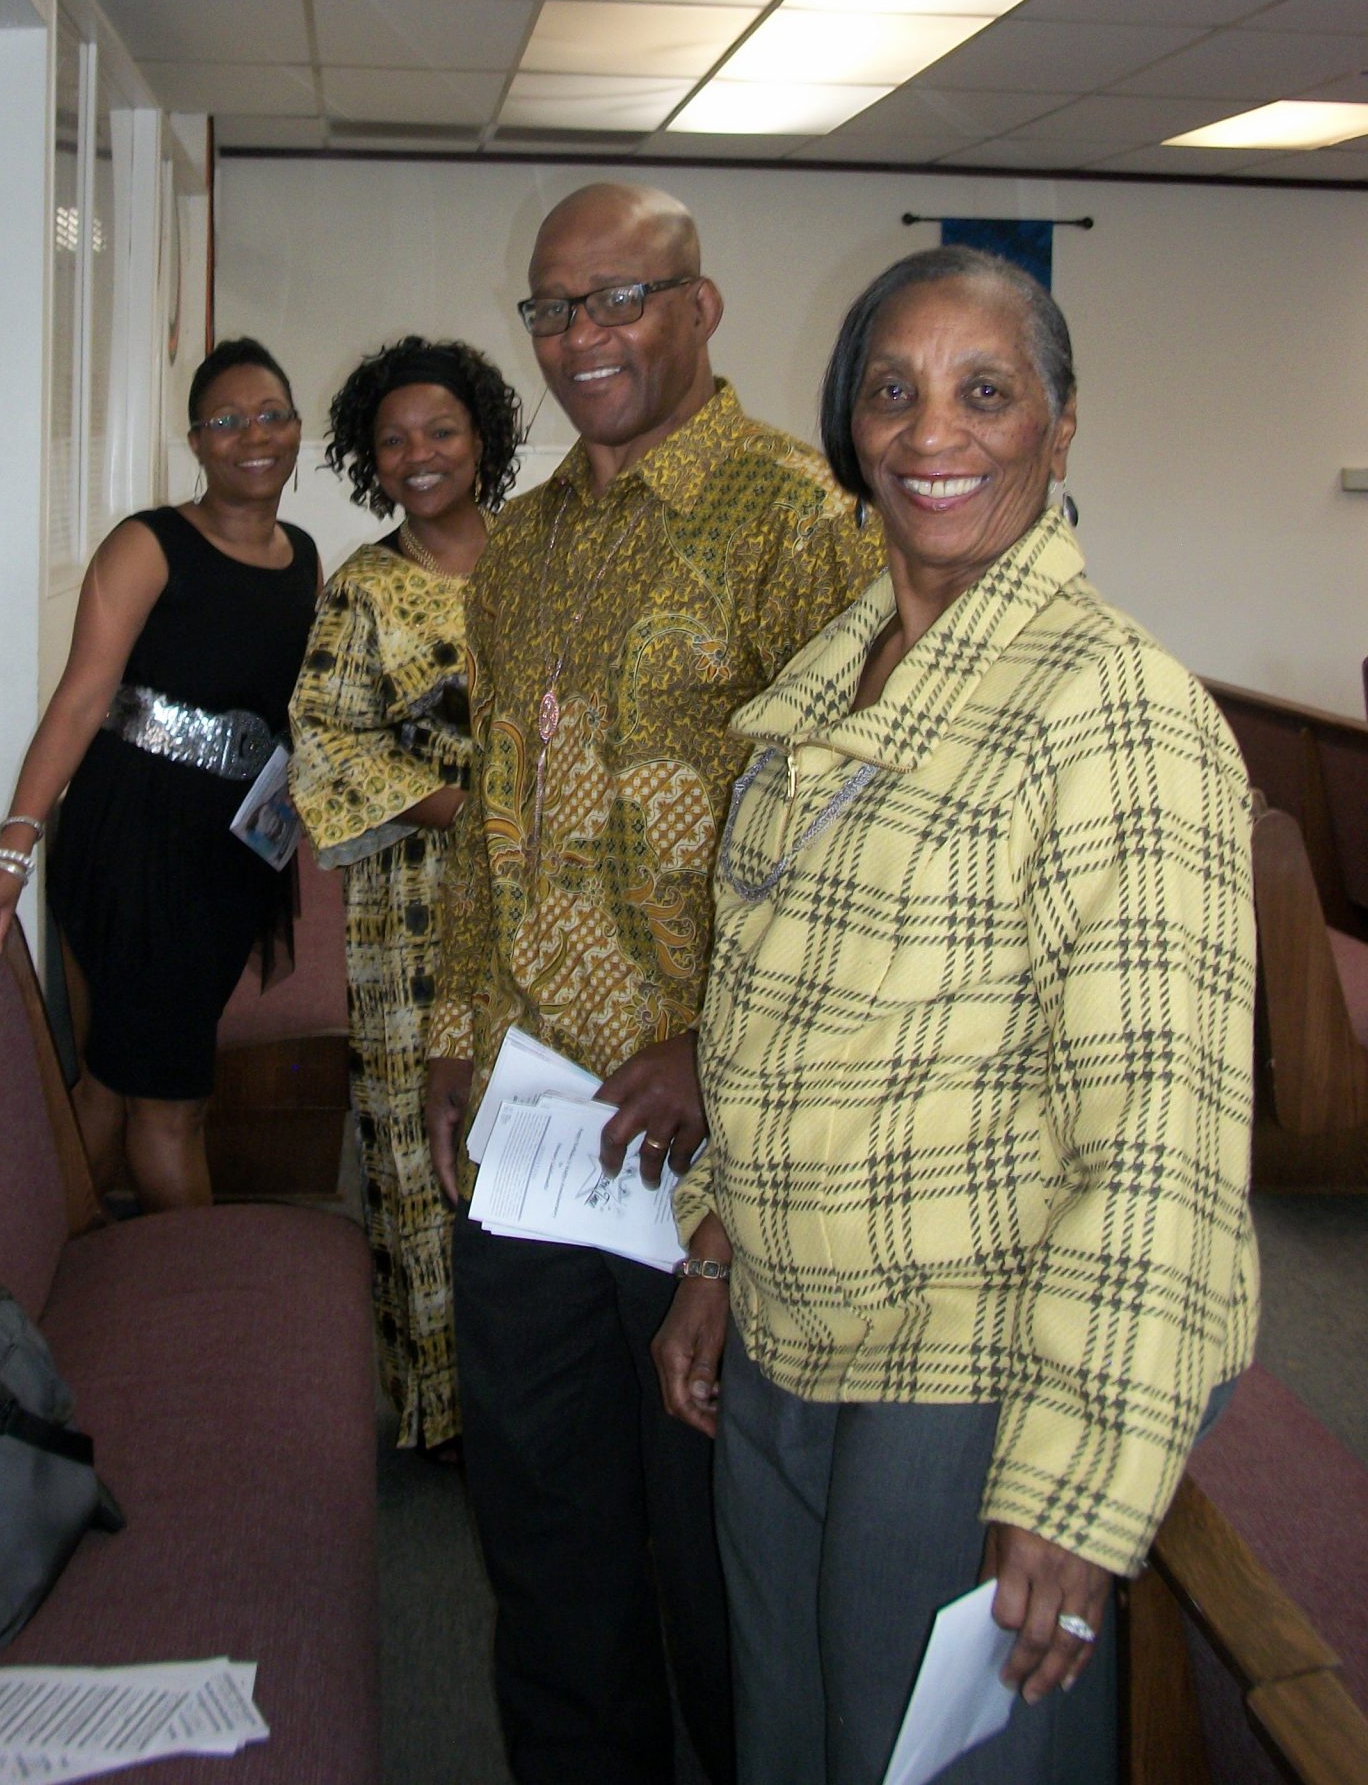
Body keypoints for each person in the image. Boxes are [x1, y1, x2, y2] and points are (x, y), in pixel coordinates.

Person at [652, 246, 1257, 1785]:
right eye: (892, 392)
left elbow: (1162, 1133)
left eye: (985, 393)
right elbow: (781, 1021)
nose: (933, 433)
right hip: (792, 1334)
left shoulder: (1113, 712)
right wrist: (719, 1239)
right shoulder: (833, 688)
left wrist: (1075, 1481)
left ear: (1060, 427)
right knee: (791, 1746)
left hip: (973, 1370)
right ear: (851, 428)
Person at [424, 182, 881, 1785]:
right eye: (552, 307)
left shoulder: (805, 526)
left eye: (619, 297)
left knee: (716, 1566)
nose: (580, 337)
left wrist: (711, 1047)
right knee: (546, 1541)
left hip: (708, 1162)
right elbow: (492, 819)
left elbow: (846, 847)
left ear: (701, 306)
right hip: (536, 1142)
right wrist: (453, 1036)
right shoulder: (521, 544)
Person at [0, 337, 320, 1212]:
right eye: (226, 420)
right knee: (170, 1105)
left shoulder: (301, 557)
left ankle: (68, 1251)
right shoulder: (149, 545)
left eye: (271, 415)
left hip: (233, 852)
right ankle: (200, 1283)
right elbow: (81, 701)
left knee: (115, 1081)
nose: (253, 435)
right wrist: (11, 854)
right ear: (196, 442)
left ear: (297, 428)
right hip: (137, 844)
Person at [289, 337, 525, 1456]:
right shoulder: (364, 587)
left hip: (549, 901)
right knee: (414, 1145)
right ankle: (445, 1410)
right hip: (415, 904)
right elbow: (325, 743)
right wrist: (467, 808)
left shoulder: (539, 557)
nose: (418, 455)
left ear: (484, 440)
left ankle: (546, 1391)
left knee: (535, 1122)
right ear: (368, 460)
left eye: (440, 431)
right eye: (393, 441)